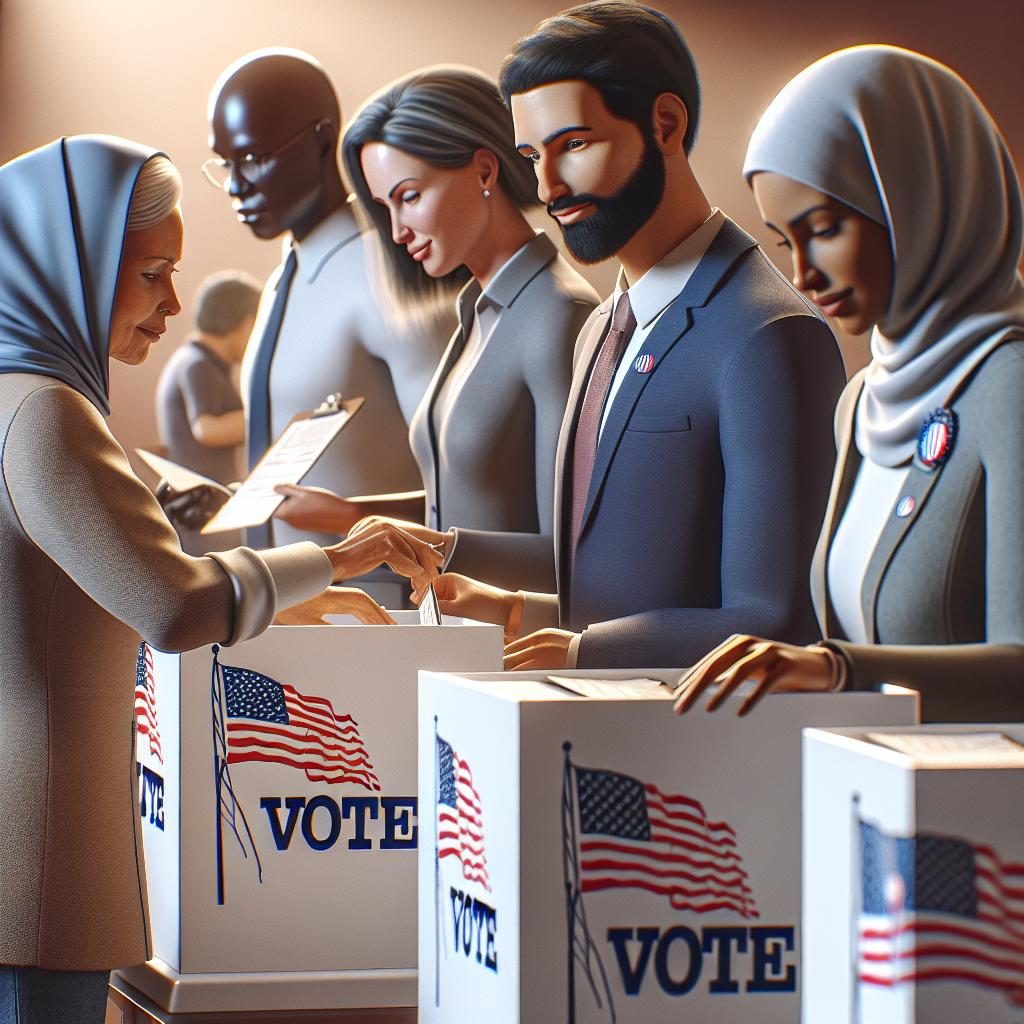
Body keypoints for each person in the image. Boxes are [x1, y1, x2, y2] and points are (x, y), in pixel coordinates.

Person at [0, 136, 440, 1024]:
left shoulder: (27, 393)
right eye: (153, 272)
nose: (172, 303)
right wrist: (341, 556)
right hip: (39, 855)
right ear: (73, 263)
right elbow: (172, 602)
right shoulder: (46, 411)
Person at [423, 2, 844, 670]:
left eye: (576, 146)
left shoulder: (769, 333)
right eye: (533, 156)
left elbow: (774, 621)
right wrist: (513, 609)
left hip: (698, 754)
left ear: (665, 124)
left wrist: (584, 650)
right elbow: (610, 585)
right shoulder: (600, 327)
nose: (548, 187)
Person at [673, 46, 1024, 723]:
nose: (804, 275)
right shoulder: (861, 403)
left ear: (917, 199)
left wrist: (840, 671)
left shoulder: (1008, 382)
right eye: (784, 243)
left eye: (825, 230)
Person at [273, 66, 599, 591]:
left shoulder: (559, 318)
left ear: (485, 172)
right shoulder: (476, 311)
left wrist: (382, 534)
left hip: (513, 648)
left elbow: (570, 555)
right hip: (452, 634)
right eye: (385, 208)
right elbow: (465, 495)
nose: (398, 232)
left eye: (409, 196)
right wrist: (349, 512)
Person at [205, 49, 450, 573]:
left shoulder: (389, 272)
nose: (234, 185)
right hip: (285, 616)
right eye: (225, 164)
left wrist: (350, 516)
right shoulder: (281, 283)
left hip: (383, 614)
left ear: (321, 141)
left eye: (251, 158)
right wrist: (233, 501)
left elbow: (466, 491)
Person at [156, 271, 259, 553]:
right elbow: (207, 429)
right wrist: (269, 416)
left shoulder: (194, 359)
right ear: (247, 323)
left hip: (204, 509)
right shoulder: (198, 364)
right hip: (202, 510)